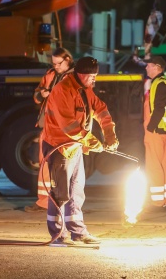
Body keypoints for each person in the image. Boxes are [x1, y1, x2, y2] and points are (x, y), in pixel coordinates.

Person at [41, 56, 119, 245]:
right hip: (59, 147)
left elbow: (101, 110)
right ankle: (58, 234)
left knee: (76, 190)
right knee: (60, 193)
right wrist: (94, 143)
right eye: (92, 76)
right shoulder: (62, 90)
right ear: (82, 74)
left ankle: (78, 231)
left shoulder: (85, 90)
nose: (95, 79)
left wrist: (109, 134)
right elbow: (70, 127)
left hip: (74, 148)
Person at [25, 48, 75, 213]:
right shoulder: (50, 74)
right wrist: (42, 94)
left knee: (62, 165)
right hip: (48, 126)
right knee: (45, 163)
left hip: (62, 128)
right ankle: (44, 201)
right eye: (53, 64)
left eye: (58, 63)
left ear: (67, 60)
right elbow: (36, 94)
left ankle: (61, 201)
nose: (56, 67)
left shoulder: (74, 78)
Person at [143, 56, 166, 212]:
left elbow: (159, 108)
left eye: (148, 66)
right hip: (163, 130)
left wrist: (150, 128)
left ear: (157, 67)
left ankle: (158, 203)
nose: (146, 68)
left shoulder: (160, 84)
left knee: (154, 166)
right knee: (164, 164)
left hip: (156, 132)